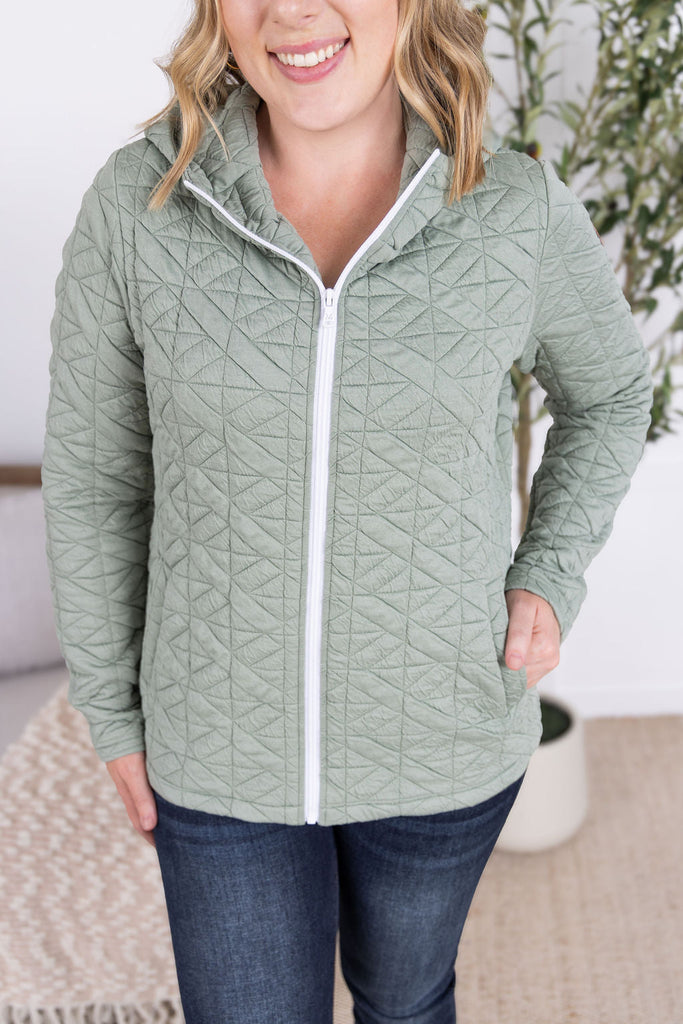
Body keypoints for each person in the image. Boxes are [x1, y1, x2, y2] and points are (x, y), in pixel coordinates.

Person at [41, 0, 653, 1021]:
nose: (294, 13)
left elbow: (611, 394)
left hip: (443, 735)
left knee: (404, 999)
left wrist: (546, 574)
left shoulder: (512, 209)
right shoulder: (140, 204)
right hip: (217, 752)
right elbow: (98, 477)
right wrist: (112, 710)